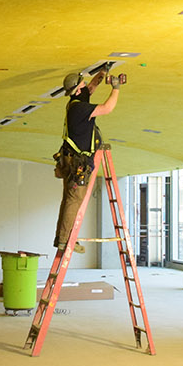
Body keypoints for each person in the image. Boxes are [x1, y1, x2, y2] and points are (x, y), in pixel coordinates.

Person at [52, 70, 122, 253]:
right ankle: (66, 240)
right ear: (76, 90)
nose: (85, 87)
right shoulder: (80, 109)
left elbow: (89, 90)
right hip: (77, 163)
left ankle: (61, 238)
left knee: (68, 199)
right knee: (74, 200)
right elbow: (107, 108)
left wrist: (100, 76)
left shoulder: (74, 104)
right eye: (81, 85)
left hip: (69, 160)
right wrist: (116, 88)